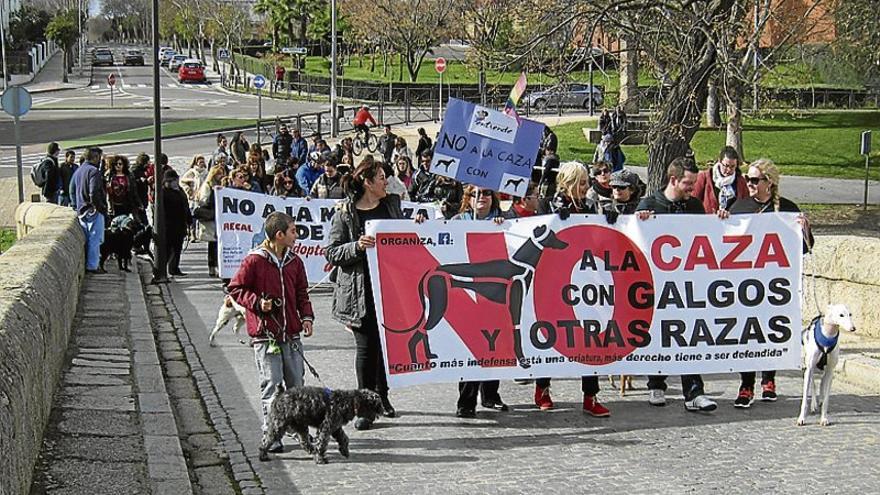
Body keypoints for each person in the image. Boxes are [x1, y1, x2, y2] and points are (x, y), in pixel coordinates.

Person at [723, 158, 814, 408]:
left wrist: (804, 229)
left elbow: (805, 248)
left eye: (754, 180)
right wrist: (720, 220)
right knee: (746, 334)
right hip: (743, 284)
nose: (749, 184)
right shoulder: (738, 206)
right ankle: (746, 384)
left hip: (773, 285)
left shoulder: (786, 208)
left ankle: (769, 380)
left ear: (769, 183)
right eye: (747, 179)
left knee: (769, 331)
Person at [227, 211, 315, 454]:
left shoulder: (295, 262)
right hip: (266, 336)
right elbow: (235, 288)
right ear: (279, 235)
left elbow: (302, 293)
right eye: (293, 231)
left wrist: (306, 317)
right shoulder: (254, 261)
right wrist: (257, 303)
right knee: (272, 386)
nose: (296, 235)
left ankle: (299, 430)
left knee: (296, 386)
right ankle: (272, 434)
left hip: (291, 335)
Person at [326, 158, 402, 430]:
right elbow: (332, 252)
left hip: (390, 288)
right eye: (381, 177)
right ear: (368, 183)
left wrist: (417, 224)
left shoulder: (392, 205)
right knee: (366, 349)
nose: (386, 182)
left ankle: (382, 396)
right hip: (359, 291)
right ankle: (364, 407)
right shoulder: (346, 213)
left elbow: (405, 238)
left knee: (385, 346)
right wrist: (356, 246)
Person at [636, 156, 717, 413]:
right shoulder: (649, 204)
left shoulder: (694, 206)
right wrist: (639, 221)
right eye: (687, 183)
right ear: (673, 179)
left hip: (686, 286)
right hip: (656, 285)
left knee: (689, 335)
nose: (692, 188)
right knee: (657, 331)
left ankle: (694, 392)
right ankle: (656, 382)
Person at [534, 161, 611, 416]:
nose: (585, 187)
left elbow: (600, 236)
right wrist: (554, 220)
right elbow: (536, 234)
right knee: (552, 334)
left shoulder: (591, 205)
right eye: (580, 182)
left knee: (590, 336)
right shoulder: (547, 204)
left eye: (586, 183)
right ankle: (542, 388)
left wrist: (611, 220)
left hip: (584, 279)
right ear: (566, 182)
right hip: (554, 279)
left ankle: (590, 395)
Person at [452, 184, 509, 418]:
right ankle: (466, 400)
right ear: (468, 198)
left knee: (494, 345)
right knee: (471, 348)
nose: (481, 197)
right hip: (468, 293)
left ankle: (490, 395)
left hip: (496, 294)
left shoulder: (507, 221)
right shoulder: (456, 221)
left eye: (486, 193)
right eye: (475, 193)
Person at [71, 147, 108, 274]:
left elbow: (72, 189)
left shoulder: (79, 170)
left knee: (87, 237)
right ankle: (92, 266)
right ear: (95, 157)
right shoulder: (93, 172)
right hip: (93, 210)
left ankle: (89, 264)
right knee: (95, 238)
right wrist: (101, 208)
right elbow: (93, 193)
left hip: (81, 209)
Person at [692, 146, 749, 214]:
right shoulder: (704, 177)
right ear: (719, 161)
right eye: (726, 166)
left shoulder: (741, 182)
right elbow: (694, 202)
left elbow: (746, 205)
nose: (728, 170)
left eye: (732, 166)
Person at [160, 169, 192, 277]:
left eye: (175, 180)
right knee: (167, 249)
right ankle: (162, 269)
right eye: (171, 181)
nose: (174, 182)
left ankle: (174, 268)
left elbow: (185, 205)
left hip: (180, 223)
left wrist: (189, 219)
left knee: (177, 248)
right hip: (168, 225)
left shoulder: (180, 190)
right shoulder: (163, 192)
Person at [197, 164, 226, 277]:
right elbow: (203, 201)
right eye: (218, 174)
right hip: (212, 216)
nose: (221, 176)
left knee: (219, 242)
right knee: (212, 243)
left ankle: (219, 265)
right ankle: (212, 266)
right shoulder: (208, 185)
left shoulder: (222, 184)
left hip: (220, 216)